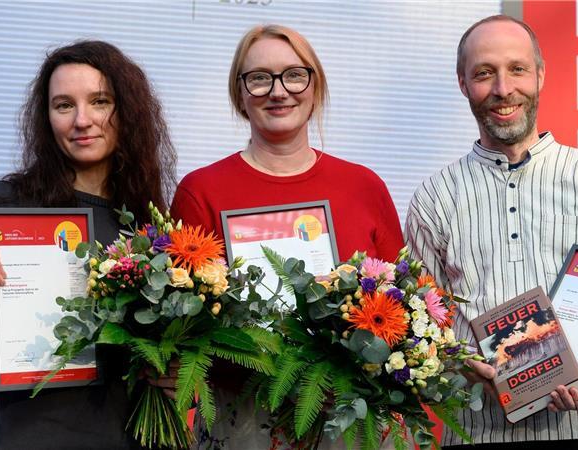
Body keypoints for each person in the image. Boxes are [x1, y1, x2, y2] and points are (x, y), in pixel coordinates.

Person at [405, 15, 578, 450]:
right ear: (462, 83)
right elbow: (421, 329)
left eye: (517, 69)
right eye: (484, 73)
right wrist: (466, 366)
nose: (503, 89)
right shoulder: (433, 199)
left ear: (540, 75)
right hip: (482, 434)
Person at [0, 40, 177, 450]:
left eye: (99, 101)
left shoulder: (148, 223)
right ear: (46, 118)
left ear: (128, 111)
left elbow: (166, 349)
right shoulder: (4, 206)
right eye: (64, 105)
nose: (83, 120)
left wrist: (172, 371)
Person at [169, 24, 404, 449]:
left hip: (356, 419)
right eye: (259, 78)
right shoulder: (200, 192)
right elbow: (185, 327)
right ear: (240, 94)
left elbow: (405, 310)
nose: (278, 91)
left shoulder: (364, 186)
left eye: (294, 75)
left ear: (315, 87)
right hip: (244, 421)